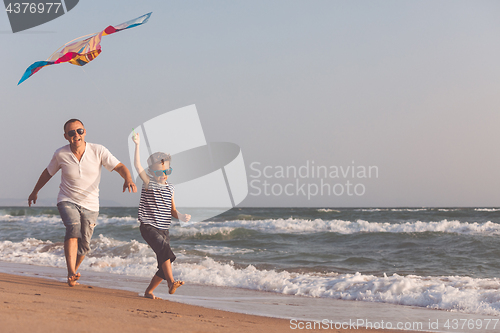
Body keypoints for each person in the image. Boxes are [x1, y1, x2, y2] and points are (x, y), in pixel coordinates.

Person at [28, 119, 137, 286]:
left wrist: (128, 178)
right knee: (73, 227)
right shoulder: (61, 154)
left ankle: (72, 274)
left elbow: (119, 166)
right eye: (71, 133)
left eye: (79, 131)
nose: (76, 135)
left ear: (85, 131)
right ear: (66, 136)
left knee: (85, 245)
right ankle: (71, 271)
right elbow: (47, 173)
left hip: (91, 204)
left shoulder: (98, 150)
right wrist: (35, 191)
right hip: (67, 199)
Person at [132, 132, 190, 298]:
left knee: (165, 262)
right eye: (159, 172)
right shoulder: (148, 183)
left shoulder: (171, 188)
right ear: (151, 172)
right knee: (165, 251)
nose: (163, 175)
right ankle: (171, 283)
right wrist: (137, 145)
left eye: (167, 171)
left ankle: (149, 291)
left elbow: (172, 210)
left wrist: (181, 216)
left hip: (164, 228)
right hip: (149, 226)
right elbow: (137, 165)